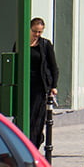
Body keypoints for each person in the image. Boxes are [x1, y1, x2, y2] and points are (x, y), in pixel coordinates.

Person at [28, 16, 59, 150]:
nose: (37, 34)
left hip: (40, 86)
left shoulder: (45, 44)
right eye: (35, 31)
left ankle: (33, 146)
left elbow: (53, 66)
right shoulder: (21, 43)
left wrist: (53, 86)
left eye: (40, 32)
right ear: (29, 29)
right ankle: (25, 144)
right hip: (25, 85)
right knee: (26, 117)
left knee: (37, 118)